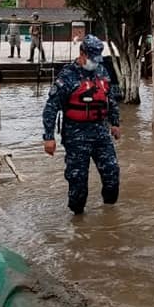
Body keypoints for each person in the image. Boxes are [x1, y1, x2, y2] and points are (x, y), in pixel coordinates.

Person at [42, 35, 120, 214]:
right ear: (82, 54)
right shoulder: (68, 75)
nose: (95, 62)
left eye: (97, 58)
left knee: (112, 173)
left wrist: (114, 122)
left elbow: (110, 99)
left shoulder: (101, 72)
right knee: (78, 183)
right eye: (92, 58)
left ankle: (110, 217)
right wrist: (48, 137)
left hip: (100, 131)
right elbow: (51, 107)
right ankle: (77, 221)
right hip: (76, 134)